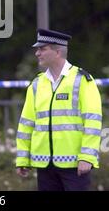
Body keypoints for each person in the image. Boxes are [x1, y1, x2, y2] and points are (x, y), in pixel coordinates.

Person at [16, 28, 102, 191]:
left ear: (57, 52)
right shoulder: (36, 84)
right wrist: (22, 158)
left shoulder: (82, 80)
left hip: (76, 165)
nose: (37, 53)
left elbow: (93, 121)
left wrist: (87, 157)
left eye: (42, 49)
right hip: (44, 165)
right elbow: (26, 124)